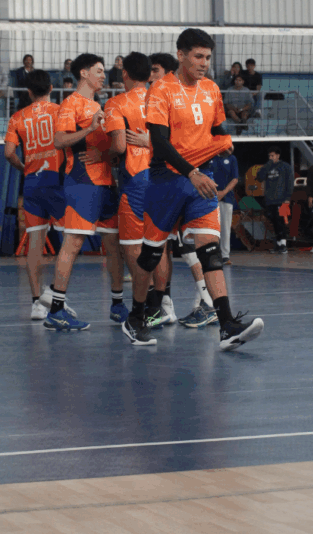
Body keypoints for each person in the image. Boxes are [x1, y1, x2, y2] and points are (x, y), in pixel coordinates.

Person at [124, 28, 264, 350]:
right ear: (182, 55)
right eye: (198, 57)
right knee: (150, 256)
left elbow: (215, 127)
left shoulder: (212, 89)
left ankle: (227, 324)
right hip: (166, 181)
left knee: (209, 250)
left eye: (208, 58)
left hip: (199, 179)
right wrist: (189, 174)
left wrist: (224, 141)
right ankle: (135, 317)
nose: (204, 63)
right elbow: (159, 142)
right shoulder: (161, 90)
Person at [45, 53, 124, 331]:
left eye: (104, 71)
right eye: (99, 71)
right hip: (81, 183)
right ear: (84, 73)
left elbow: (105, 147)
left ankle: (118, 305)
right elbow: (58, 140)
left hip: (105, 184)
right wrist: (89, 128)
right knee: (73, 243)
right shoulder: (71, 104)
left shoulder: (98, 105)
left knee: (114, 245)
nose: (104, 75)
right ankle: (56, 310)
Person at [147, 51, 215, 329]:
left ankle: (208, 303)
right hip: (166, 181)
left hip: (187, 179)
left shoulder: (183, 96)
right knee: (174, 246)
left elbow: (171, 141)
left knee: (190, 245)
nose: (151, 76)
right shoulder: (159, 98)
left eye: (155, 71)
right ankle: (167, 305)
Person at [4, 69, 66, 319]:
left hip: (32, 183)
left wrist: (24, 168)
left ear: (28, 92)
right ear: (51, 88)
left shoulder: (17, 117)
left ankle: (36, 303)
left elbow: (9, 153)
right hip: (57, 180)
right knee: (71, 240)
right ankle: (57, 295)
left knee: (35, 245)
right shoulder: (61, 111)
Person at [104, 51, 152, 285]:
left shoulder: (116, 103)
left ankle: (145, 301)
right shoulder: (163, 99)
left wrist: (103, 154)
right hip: (163, 178)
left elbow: (120, 146)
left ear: (124, 73)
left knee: (132, 246)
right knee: (158, 245)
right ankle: (162, 304)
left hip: (135, 181)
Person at [255, 146, 294, 254]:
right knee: (273, 221)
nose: (270, 157)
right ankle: (278, 243)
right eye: (269, 156)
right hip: (270, 199)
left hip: (281, 200)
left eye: (272, 155)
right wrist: (267, 166)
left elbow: (290, 183)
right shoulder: (267, 167)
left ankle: (283, 244)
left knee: (281, 221)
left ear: (278, 155)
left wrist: (287, 198)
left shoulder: (285, 167)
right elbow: (259, 178)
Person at [208, 148, 239, 264]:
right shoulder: (210, 156)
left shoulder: (232, 159)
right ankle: (212, 254)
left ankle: (225, 255)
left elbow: (235, 179)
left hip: (226, 197)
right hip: (210, 196)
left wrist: (224, 192)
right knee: (211, 227)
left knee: (225, 227)